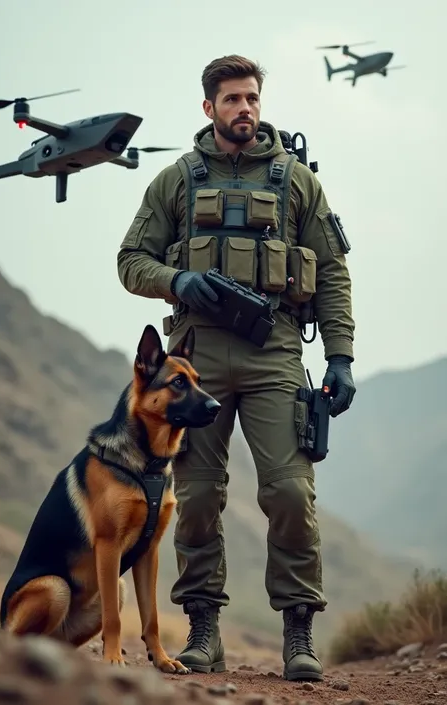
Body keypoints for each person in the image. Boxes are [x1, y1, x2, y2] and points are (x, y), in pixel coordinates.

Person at [117, 54, 356, 682]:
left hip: (275, 348)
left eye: (251, 98)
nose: (244, 109)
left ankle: (299, 633)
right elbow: (130, 260)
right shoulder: (176, 180)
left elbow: (331, 272)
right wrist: (179, 278)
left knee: (289, 490)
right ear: (209, 108)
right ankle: (202, 631)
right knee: (196, 497)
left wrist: (341, 356)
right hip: (195, 356)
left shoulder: (296, 181)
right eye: (231, 99)